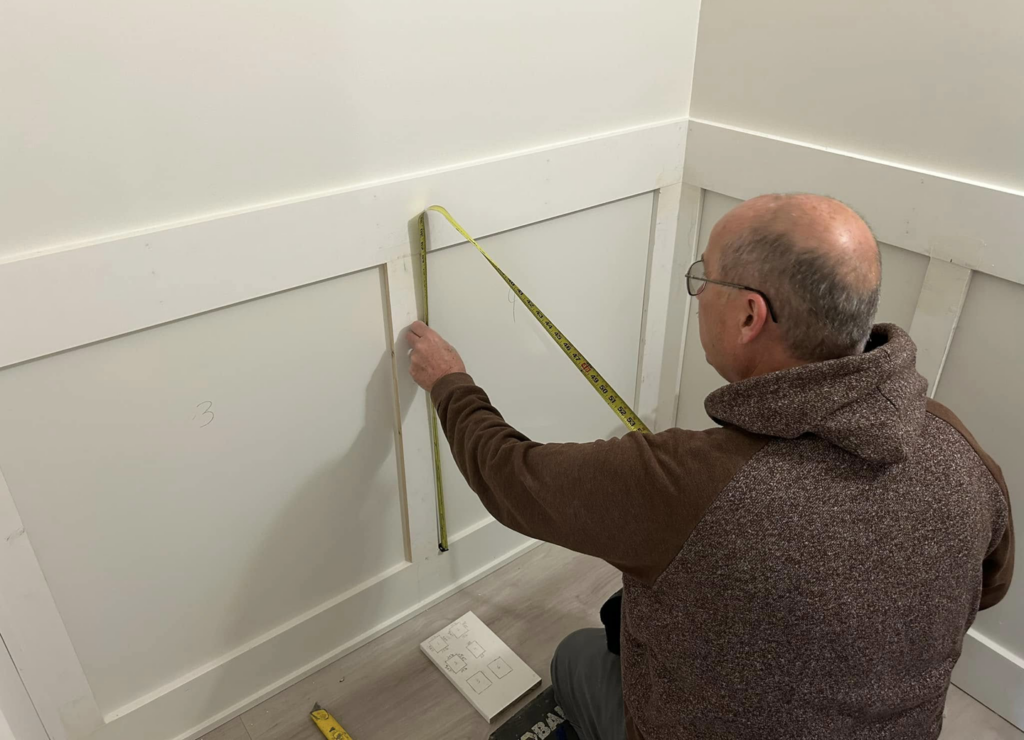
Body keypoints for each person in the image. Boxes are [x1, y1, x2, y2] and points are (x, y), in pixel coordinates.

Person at [405, 194, 1014, 740]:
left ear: (749, 316)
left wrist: (448, 382)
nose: (696, 296)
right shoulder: (956, 447)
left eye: (702, 279)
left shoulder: (685, 483)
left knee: (574, 657)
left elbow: (512, 477)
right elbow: (990, 588)